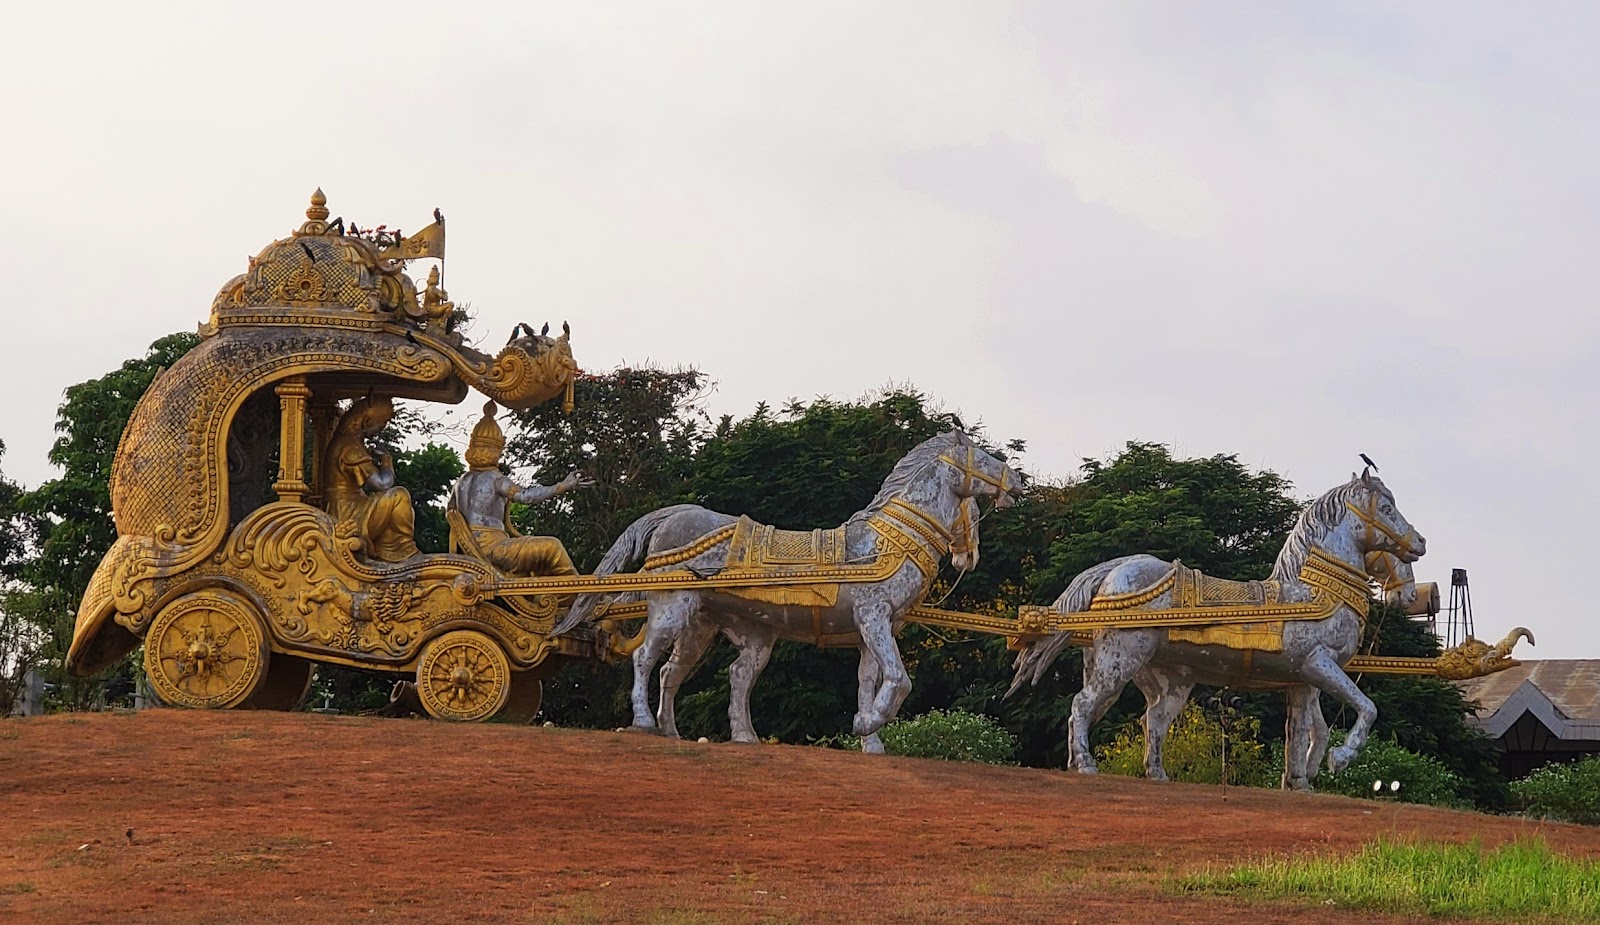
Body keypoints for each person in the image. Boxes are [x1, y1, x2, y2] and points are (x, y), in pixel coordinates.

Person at [452, 401, 591, 576]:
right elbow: (525, 496)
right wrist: (562, 486)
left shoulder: (460, 483)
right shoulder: (495, 479)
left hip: (471, 549)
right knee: (552, 547)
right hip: (494, 549)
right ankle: (577, 590)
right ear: (496, 450)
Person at [320, 395, 420, 562]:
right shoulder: (350, 448)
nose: (382, 429)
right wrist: (386, 461)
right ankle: (400, 548)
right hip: (346, 513)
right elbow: (382, 484)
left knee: (388, 499)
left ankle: (389, 548)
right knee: (399, 495)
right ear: (367, 420)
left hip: (352, 505)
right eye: (382, 423)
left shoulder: (346, 442)